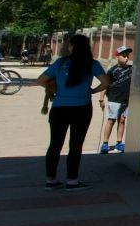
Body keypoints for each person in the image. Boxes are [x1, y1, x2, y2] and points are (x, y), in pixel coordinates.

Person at [37, 33, 110, 190]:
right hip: (82, 108)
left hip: (59, 108)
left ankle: (50, 180)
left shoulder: (61, 62)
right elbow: (105, 82)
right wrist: (91, 91)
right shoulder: (92, 64)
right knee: (76, 145)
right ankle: (72, 181)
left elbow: (41, 80)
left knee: (55, 144)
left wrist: (55, 89)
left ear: (72, 46)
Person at [97, 46, 133, 155]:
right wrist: (101, 99)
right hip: (113, 99)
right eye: (124, 56)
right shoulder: (112, 71)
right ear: (117, 57)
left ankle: (119, 142)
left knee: (122, 120)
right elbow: (105, 85)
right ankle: (105, 143)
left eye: (128, 56)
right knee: (111, 121)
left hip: (125, 100)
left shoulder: (131, 69)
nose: (126, 58)